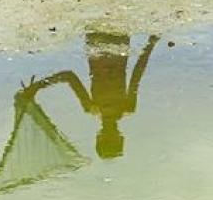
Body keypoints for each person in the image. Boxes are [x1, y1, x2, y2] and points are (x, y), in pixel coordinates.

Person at [16, 32, 161, 159]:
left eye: (108, 138)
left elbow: (138, 71)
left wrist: (150, 44)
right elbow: (137, 72)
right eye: (112, 138)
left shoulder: (105, 107)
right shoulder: (111, 107)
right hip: (107, 43)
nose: (110, 134)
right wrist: (38, 86)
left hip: (108, 43)